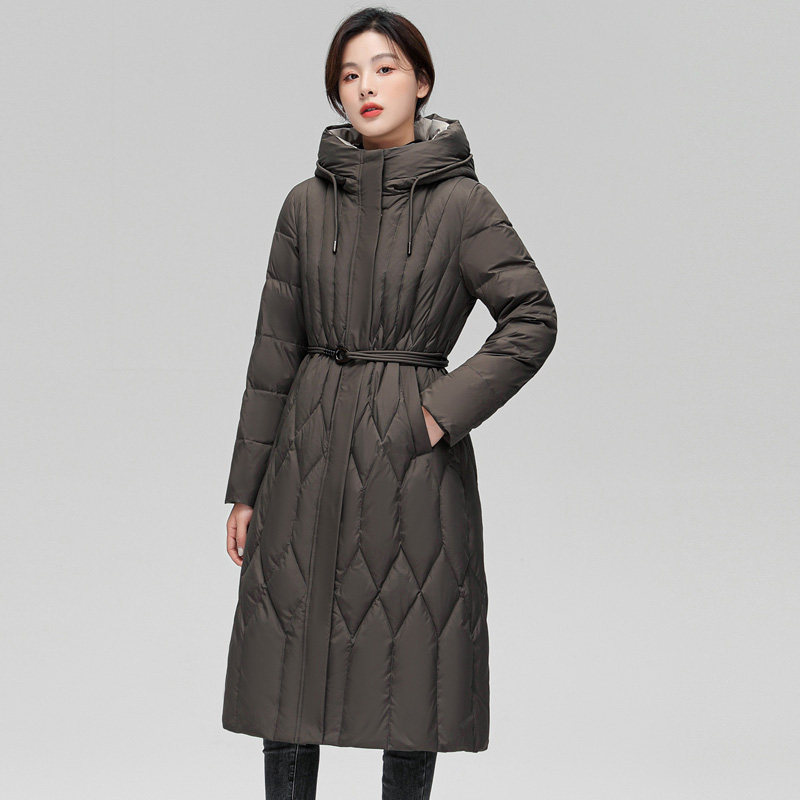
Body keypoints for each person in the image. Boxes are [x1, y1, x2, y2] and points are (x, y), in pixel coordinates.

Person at [221, 7, 558, 799]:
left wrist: (439, 411)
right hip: (305, 459)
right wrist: (245, 487)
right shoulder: (304, 205)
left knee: (410, 671)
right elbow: (273, 353)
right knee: (287, 665)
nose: (365, 86)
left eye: (384, 68)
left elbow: (532, 316)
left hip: (410, 465)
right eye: (349, 75)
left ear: (422, 81)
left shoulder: (463, 203)